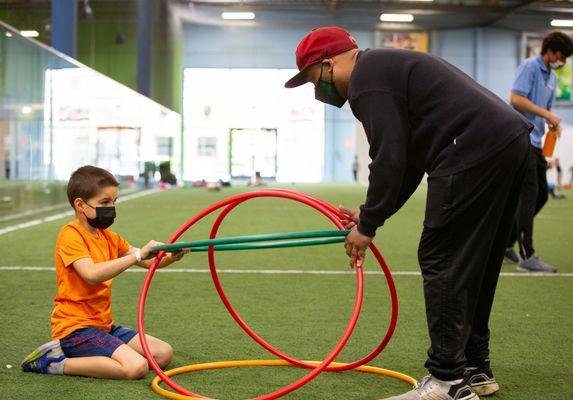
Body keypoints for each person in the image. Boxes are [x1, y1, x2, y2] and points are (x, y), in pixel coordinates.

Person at [285, 27, 532, 399]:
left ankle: (447, 380)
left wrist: (367, 226)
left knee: (442, 257)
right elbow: (409, 162)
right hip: (507, 142)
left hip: (470, 148)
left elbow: (389, 159)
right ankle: (475, 367)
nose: (317, 90)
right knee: (475, 262)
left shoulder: (367, 81)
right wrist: (370, 213)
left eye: (313, 79)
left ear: (329, 63)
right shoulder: (386, 69)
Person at [21, 165, 184, 379]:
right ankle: (53, 361)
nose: (111, 208)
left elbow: (148, 261)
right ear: (80, 205)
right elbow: (91, 274)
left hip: (103, 326)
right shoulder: (70, 235)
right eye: (104, 203)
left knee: (163, 354)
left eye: (114, 202)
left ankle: (105, 354)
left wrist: (171, 255)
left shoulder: (108, 237)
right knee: (136, 368)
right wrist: (138, 255)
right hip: (75, 329)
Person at [504, 32, 573, 272]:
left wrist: (553, 124)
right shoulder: (529, 67)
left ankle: (505, 244)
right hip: (521, 137)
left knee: (542, 195)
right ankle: (527, 256)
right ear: (551, 52)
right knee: (529, 194)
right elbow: (516, 98)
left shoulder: (552, 77)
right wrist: (547, 115)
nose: (562, 62)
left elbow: (546, 110)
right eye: (561, 57)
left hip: (537, 142)